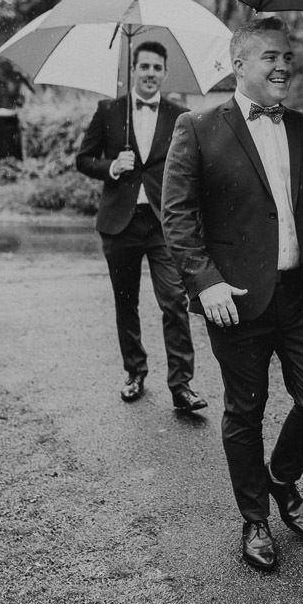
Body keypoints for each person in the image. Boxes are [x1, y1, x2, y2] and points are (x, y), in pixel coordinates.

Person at [162, 16, 303, 571]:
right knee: (245, 411)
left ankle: (281, 477)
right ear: (239, 64)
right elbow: (177, 216)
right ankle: (255, 520)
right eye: (270, 56)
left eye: (287, 57)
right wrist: (205, 282)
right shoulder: (198, 127)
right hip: (236, 298)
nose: (283, 66)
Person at [76, 41, 206, 413]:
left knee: (174, 302)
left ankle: (181, 385)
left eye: (156, 67)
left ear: (165, 72)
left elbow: (193, 168)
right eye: (144, 66)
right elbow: (83, 159)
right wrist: (112, 166)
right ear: (133, 69)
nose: (150, 73)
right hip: (120, 223)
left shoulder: (181, 116)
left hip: (165, 224)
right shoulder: (109, 111)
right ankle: (135, 372)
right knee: (125, 301)